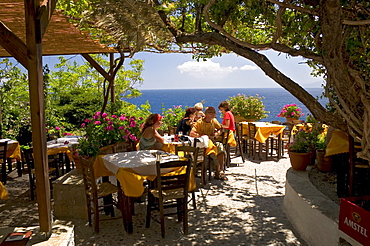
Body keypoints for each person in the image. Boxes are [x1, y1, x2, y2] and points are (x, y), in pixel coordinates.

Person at [190, 107, 228, 180]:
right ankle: (218, 170)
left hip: (212, 142)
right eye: (213, 113)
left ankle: (220, 171)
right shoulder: (199, 122)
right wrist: (203, 137)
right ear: (208, 114)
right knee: (213, 151)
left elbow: (221, 129)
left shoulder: (214, 121)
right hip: (203, 144)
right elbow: (192, 133)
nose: (215, 114)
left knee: (220, 148)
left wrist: (215, 134)